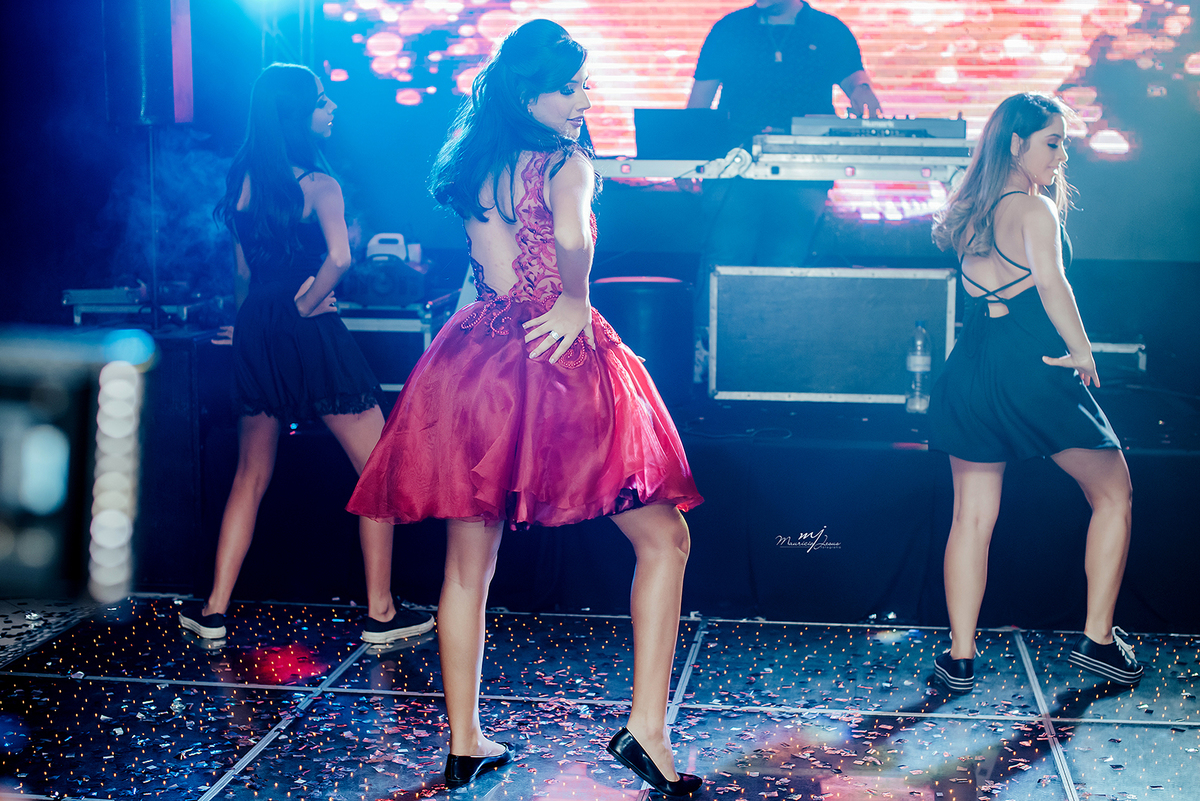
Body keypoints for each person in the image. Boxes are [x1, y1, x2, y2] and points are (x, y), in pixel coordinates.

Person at [346, 21, 705, 794]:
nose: (585, 99)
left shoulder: (477, 161)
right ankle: (646, 729)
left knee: (467, 566)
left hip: (474, 357)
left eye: (583, 84)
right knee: (665, 538)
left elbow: (484, 272)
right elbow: (572, 237)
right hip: (551, 354)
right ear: (527, 92)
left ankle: (465, 742)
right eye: (569, 87)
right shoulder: (566, 162)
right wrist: (575, 297)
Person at [177, 63, 433, 645]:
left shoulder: (241, 178)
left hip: (258, 328)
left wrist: (250, 327)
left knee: (250, 474)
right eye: (321, 101)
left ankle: (213, 610)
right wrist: (308, 303)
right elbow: (339, 259)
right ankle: (381, 613)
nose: (331, 108)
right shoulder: (320, 184)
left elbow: (243, 274)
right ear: (296, 114)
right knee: (377, 468)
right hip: (307, 327)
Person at [927, 92, 1141, 692]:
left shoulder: (970, 210)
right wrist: (1083, 350)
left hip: (972, 370)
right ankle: (1099, 640)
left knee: (971, 518)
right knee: (1114, 494)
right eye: (1053, 142)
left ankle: (960, 658)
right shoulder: (1033, 209)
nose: (1061, 155)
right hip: (1033, 369)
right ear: (1016, 143)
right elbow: (1051, 284)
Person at [686, 0, 883, 372]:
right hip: (733, 170)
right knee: (724, 260)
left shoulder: (829, 30)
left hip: (803, 173)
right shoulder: (729, 28)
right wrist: (686, 157)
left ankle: (767, 364)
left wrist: (863, 91)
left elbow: (856, 83)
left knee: (784, 267)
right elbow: (698, 106)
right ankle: (706, 361)